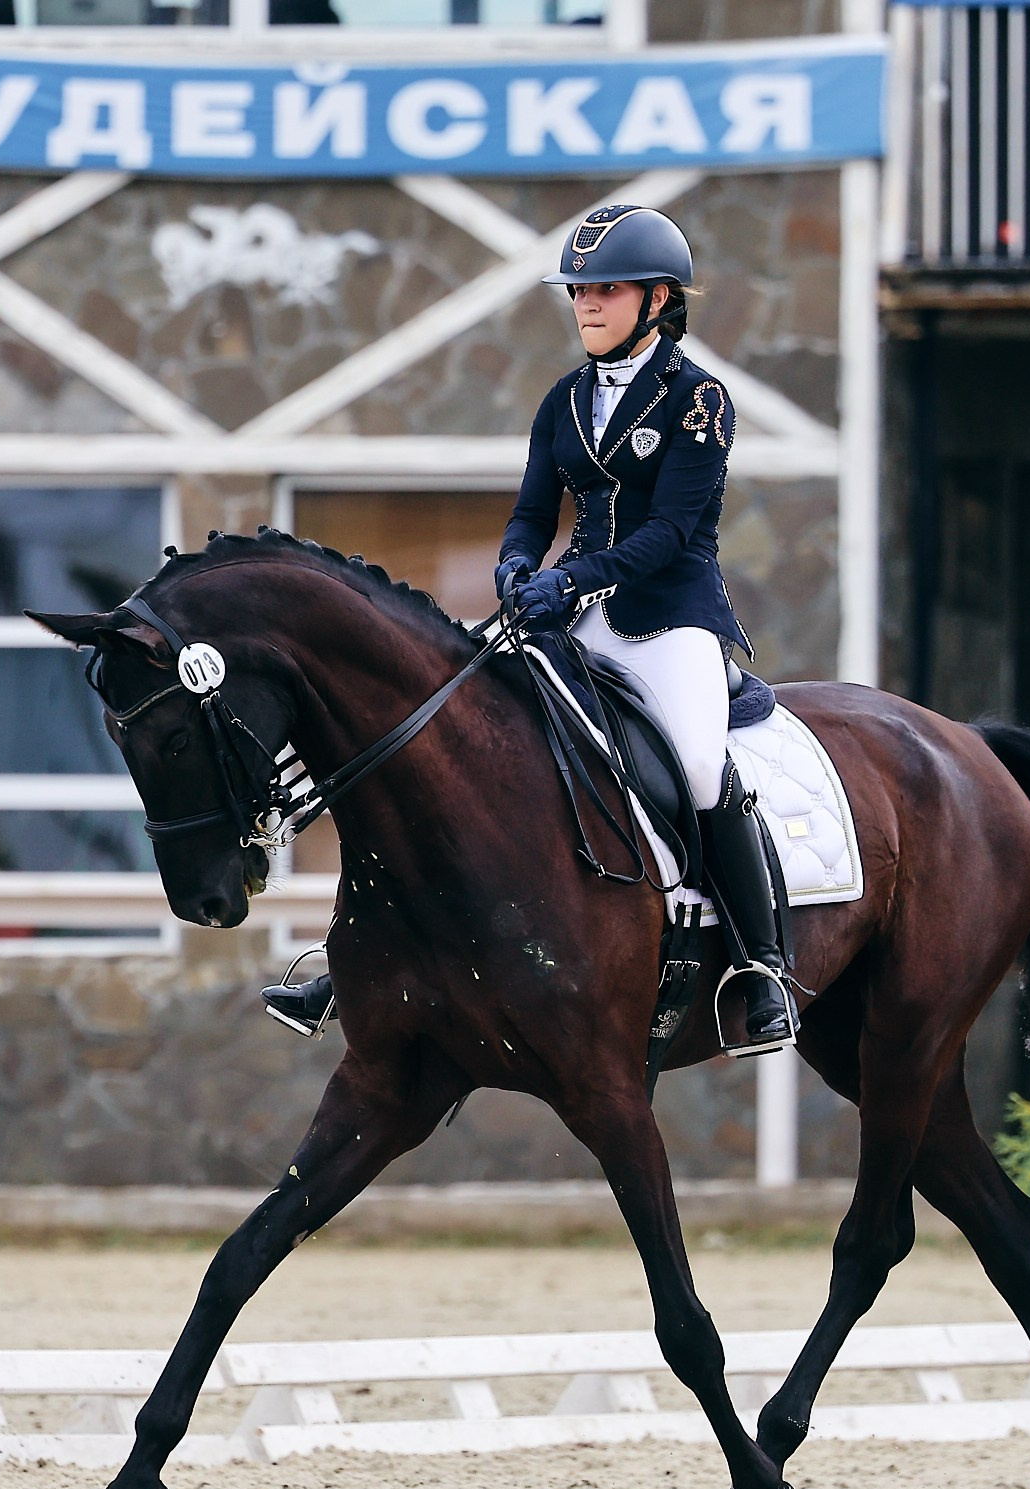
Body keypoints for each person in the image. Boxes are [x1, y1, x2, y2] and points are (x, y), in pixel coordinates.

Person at [262, 204, 796, 1057]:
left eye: (605, 290)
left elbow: (669, 532)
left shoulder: (701, 400)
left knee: (697, 763)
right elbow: (532, 512)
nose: (585, 305)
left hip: (669, 619)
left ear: (659, 299)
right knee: (458, 739)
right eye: (578, 290)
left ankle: (762, 965)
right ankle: (353, 958)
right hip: (566, 615)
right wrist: (516, 567)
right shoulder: (565, 400)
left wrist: (568, 580)